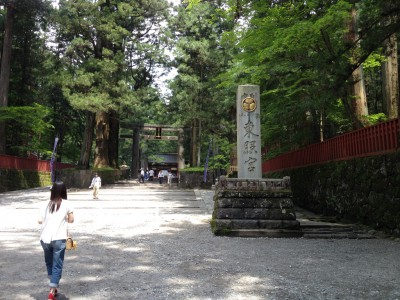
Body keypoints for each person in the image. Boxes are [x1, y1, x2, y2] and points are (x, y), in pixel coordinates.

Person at [38, 181, 74, 300]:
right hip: (59, 238)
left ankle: (53, 287)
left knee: (49, 262)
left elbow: (39, 220)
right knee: (57, 265)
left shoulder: (46, 204)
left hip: (44, 239)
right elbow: (71, 220)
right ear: (64, 191)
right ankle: (52, 291)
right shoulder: (67, 203)